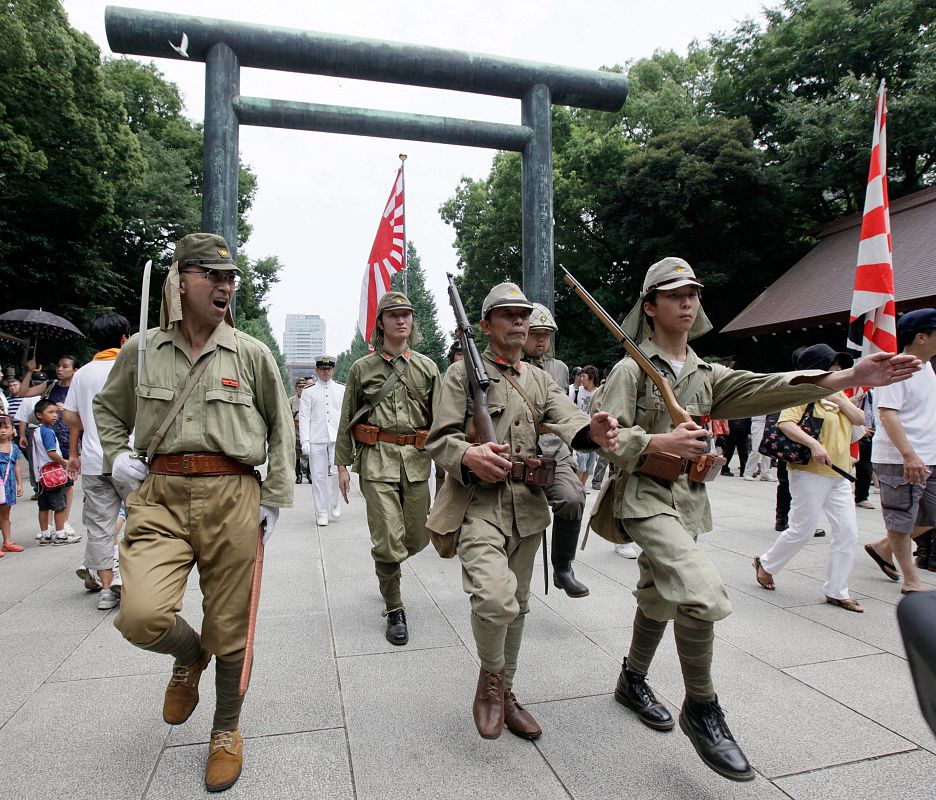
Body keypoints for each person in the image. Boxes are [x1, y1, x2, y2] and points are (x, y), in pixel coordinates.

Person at [596, 256, 919, 782]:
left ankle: (632, 679)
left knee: (658, 592)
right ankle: (702, 708)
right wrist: (655, 440)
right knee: (701, 593)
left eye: (693, 293)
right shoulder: (632, 369)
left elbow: (762, 387)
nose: (687, 302)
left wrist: (846, 375)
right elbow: (607, 441)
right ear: (649, 306)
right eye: (674, 294)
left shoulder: (705, 372)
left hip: (688, 500)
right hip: (642, 498)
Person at [93, 232, 294, 792]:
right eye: (212, 275)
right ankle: (190, 655)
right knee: (139, 615)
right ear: (180, 281)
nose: (225, 285)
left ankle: (226, 729)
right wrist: (116, 458)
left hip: (233, 495)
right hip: (159, 496)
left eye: (230, 277)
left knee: (231, 624)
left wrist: (275, 497)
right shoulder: (142, 350)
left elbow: (282, 427)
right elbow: (109, 411)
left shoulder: (250, 353)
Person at [426, 282, 619, 741]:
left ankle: (506, 692)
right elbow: (438, 439)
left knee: (520, 606)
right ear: (486, 325)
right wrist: (467, 455)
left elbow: (569, 420)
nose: (518, 321)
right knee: (495, 599)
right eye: (508, 314)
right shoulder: (459, 376)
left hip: (528, 507)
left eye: (523, 315)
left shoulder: (538, 379)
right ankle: (492, 683)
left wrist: (591, 431)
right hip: (477, 504)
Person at [335, 291, 441, 646]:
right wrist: (342, 464)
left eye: (407, 314)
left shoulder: (426, 368)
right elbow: (348, 416)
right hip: (376, 459)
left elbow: (442, 422)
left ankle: (387, 567)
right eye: (393, 315)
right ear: (381, 323)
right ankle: (394, 606)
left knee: (416, 537)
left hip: (415, 462)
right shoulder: (362, 368)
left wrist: (451, 466)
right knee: (386, 537)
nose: (401, 320)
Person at [753, 344, 866, 612]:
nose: (839, 370)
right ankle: (767, 563)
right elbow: (785, 423)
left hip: (839, 473)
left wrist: (841, 401)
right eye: (834, 367)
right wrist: (814, 445)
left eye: (840, 367)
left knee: (848, 532)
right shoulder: (803, 390)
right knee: (803, 529)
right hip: (808, 472)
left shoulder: (839, 393)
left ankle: (837, 590)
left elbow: (860, 419)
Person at [862, 309, 936, 594]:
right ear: (921, 337)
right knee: (901, 517)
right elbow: (888, 415)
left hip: (929, 456)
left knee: (929, 517)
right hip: (900, 459)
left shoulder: (927, 368)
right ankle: (911, 578)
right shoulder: (898, 368)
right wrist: (908, 454)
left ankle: (883, 547)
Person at [63, 313, 132, 611]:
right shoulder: (133, 367)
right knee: (143, 521)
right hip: (131, 459)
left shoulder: (83, 374)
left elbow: (69, 417)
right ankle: (136, 582)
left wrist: (75, 452)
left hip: (93, 462)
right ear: (124, 339)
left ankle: (106, 589)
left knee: (100, 526)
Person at [521, 303, 589, 596]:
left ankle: (563, 567)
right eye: (536, 333)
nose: (541, 340)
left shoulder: (558, 369)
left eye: (546, 335)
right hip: (517, 450)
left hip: (553, 449)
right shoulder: (509, 363)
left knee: (573, 498)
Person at [19, 355, 79, 535]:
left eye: (65, 366)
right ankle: (50, 526)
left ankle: (64, 521)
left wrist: (65, 410)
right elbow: (23, 392)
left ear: (74, 370)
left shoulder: (78, 387)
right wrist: (30, 371)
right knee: (49, 481)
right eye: (59, 365)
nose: (59, 369)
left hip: (70, 439)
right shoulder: (50, 385)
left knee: (66, 483)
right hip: (48, 440)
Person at [299, 355, 345, 526]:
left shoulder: (341, 389)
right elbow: (304, 417)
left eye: (329, 369)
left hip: (336, 438)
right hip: (316, 437)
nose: (326, 372)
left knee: (335, 473)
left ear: (333, 370)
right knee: (318, 477)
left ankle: (334, 501)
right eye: (323, 369)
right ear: (317, 370)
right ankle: (322, 512)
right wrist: (305, 441)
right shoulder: (309, 392)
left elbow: (345, 416)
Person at [32, 399, 79, 545]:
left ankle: (45, 534)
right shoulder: (48, 432)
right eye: (50, 412)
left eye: (56, 412)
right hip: (53, 475)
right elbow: (51, 453)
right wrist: (65, 462)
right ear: (39, 415)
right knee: (59, 505)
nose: (55, 416)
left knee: (44, 506)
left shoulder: (37, 431)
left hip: (41, 475)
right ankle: (60, 535)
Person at [0, 414, 24, 555]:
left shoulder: (14, 448)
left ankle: (7, 542)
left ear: (12, 430)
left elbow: (17, 466)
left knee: (5, 515)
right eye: (0, 428)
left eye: (6, 427)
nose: (2, 430)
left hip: (8, 485)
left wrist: (19, 484)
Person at [573, 365, 600, 488]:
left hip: (593, 430)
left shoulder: (598, 392)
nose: (581, 378)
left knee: (591, 461)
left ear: (591, 377)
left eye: (583, 376)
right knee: (581, 458)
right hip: (579, 428)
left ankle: (582, 485)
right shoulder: (576, 390)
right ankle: (578, 485)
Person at [289, 378, 312, 484]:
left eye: (303, 387)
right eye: (299, 387)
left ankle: (309, 474)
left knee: (309, 452)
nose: (301, 389)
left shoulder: (310, 400)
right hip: (295, 428)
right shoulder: (291, 401)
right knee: (297, 452)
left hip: (307, 429)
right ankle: (298, 475)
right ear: (296, 388)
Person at [742, 415, 775, 481]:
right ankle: (748, 473)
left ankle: (765, 474)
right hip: (758, 422)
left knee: (767, 450)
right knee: (756, 449)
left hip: (768, 422)